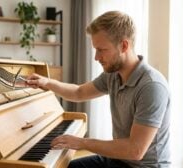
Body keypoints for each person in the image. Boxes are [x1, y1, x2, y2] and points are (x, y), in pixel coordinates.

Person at [25, 11, 170, 168]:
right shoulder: (113, 75)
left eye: (101, 50)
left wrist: (82, 143)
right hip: (119, 161)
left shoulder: (151, 86)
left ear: (124, 46)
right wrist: (46, 82)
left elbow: (135, 150)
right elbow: (78, 92)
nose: (96, 57)